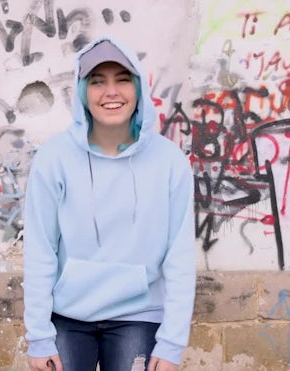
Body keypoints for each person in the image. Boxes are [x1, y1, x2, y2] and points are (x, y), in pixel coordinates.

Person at [23, 35, 196, 371]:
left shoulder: (170, 162)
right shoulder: (54, 158)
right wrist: (40, 337)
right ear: (82, 91)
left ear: (139, 88)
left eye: (122, 80)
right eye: (98, 82)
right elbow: (40, 249)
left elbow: (180, 256)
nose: (111, 92)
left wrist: (172, 343)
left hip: (139, 316)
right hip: (68, 317)